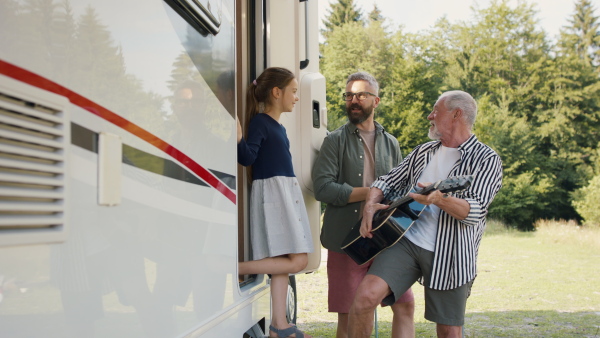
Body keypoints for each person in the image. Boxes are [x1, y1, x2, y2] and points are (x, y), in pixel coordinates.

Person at [347, 90, 503, 338]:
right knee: (364, 298)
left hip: (450, 253)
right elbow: (387, 180)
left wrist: (439, 199)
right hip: (406, 241)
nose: (430, 116)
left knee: (449, 330)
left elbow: (475, 211)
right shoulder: (424, 151)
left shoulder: (486, 159)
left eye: (435, 111)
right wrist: (370, 204)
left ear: (456, 114)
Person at [312, 71, 415, 338]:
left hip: (388, 240)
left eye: (360, 95)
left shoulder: (391, 142)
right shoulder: (334, 140)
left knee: (405, 305)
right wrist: (372, 192)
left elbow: (400, 187)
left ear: (376, 100)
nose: (353, 100)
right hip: (347, 241)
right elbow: (322, 188)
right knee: (351, 315)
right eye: (349, 95)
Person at [236, 67, 314, 338]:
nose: (297, 97)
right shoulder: (260, 122)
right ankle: (237, 268)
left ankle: (278, 324)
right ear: (276, 92)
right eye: (293, 91)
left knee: (283, 258)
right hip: (274, 193)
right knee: (298, 260)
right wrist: (237, 137)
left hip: (284, 191)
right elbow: (248, 157)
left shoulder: (277, 126)